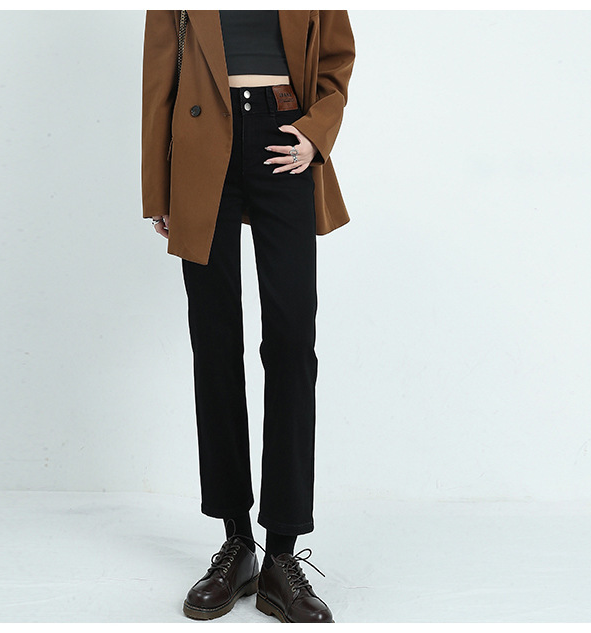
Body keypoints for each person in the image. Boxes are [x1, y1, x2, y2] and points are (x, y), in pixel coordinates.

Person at [141, 9, 355, 623]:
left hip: (284, 141)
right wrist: (158, 189)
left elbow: (336, 62)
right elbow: (159, 78)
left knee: (291, 345)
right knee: (214, 345)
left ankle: (282, 553)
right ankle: (236, 543)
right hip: (201, 145)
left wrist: (314, 134)